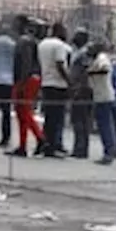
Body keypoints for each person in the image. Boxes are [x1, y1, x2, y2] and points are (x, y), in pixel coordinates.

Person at [9, 15, 44, 157]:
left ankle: (40, 138)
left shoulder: (24, 41)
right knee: (21, 112)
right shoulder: (29, 40)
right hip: (30, 79)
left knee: (24, 111)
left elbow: (26, 63)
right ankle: (23, 145)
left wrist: (22, 83)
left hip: (26, 80)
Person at [36, 23, 73, 158]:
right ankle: (52, 146)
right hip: (59, 85)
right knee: (57, 118)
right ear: (60, 31)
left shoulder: (42, 44)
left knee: (49, 117)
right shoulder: (59, 46)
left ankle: (45, 143)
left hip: (46, 83)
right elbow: (60, 64)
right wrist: (70, 81)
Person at [87, 42, 116, 165]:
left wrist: (91, 73)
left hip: (104, 96)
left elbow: (104, 69)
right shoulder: (97, 59)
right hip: (101, 96)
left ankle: (108, 153)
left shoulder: (102, 58)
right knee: (105, 125)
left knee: (105, 126)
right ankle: (110, 150)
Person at [67, 28, 93, 159]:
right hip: (79, 88)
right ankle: (79, 148)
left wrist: (78, 88)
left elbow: (85, 73)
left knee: (80, 120)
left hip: (82, 90)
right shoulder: (78, 52)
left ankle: (81, 149)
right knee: (79, 119)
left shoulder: (84, 54)